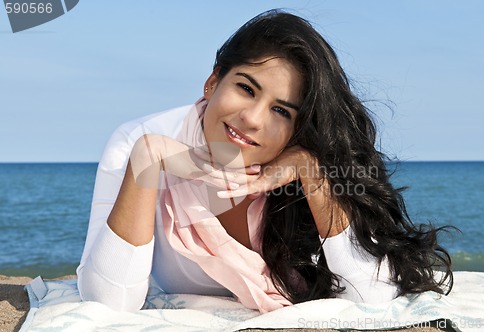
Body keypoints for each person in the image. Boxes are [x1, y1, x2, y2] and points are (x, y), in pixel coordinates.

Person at [77, 10, 453, 313]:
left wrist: (309, 171)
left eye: (281, 111)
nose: (254, 119)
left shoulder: (304, 162)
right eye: (245, 88)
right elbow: (108, 304)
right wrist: (149, 159)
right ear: (213, 82)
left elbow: (371, 297)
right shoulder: (138, 141)